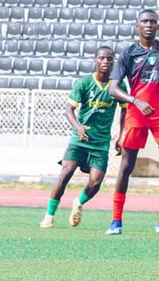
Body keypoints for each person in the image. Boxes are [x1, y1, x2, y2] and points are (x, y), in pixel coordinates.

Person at [105, 9, 159, 236]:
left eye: (152, 22)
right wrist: (135, 101)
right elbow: (113, 89)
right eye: (144, 21)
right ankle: (116, 221)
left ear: (157, 26)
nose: (149, 25)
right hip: (136, 114)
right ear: (137, 26)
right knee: (127, 167)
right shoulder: (128, 53)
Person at [40, 46, 127, 229]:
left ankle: (78, 202)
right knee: (66, 172)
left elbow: (124, 111)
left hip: (101, 142)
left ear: (113, 61)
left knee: (95, 182)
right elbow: (68, 109)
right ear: (95, 60)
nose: (105, 61)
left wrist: (122, 135)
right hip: (80, 139)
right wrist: (78, 127)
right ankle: (49, 216)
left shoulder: (118, 85)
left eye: (109, 58)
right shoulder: (84, 83)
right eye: (101, 58)